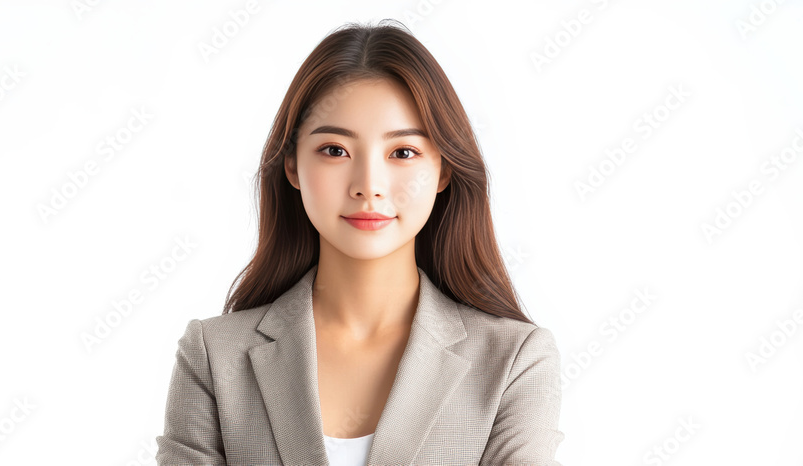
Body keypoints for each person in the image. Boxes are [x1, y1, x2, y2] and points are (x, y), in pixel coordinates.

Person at [156, 19, 564, 465]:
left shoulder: (513, 362)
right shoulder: (215, 357)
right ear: (292, 166)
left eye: (403, 153)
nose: (369, 186)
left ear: (443, 170)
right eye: (335, 150)